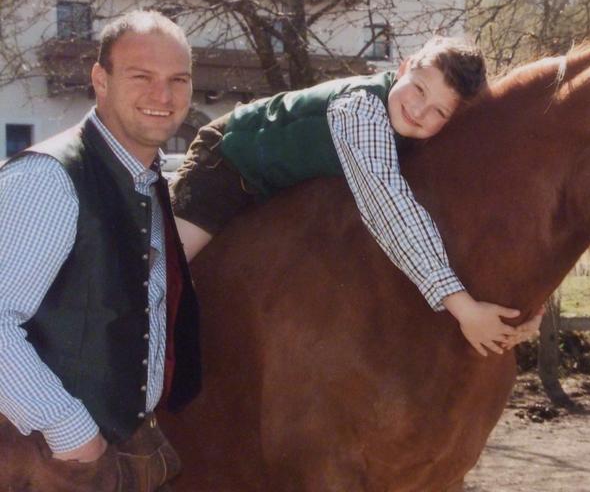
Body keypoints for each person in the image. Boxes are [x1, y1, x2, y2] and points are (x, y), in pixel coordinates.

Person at [170, 36, 539, 355]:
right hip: (230, 164)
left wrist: (524, 309)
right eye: (420, 89)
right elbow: (389, 208)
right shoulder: (360, 110)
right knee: (160, 270)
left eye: (439, 111)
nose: (419, 110)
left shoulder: (419, 132)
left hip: (286, 195)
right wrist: (463, 309)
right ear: (404, 67)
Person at [0, 10, 201, 491]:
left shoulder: (144, 180)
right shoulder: (48, 179)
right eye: (142, 77)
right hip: (51, 462)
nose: (164, 96)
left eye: (178, 79)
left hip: (123, 448)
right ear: (101, 80)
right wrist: (73, 434)